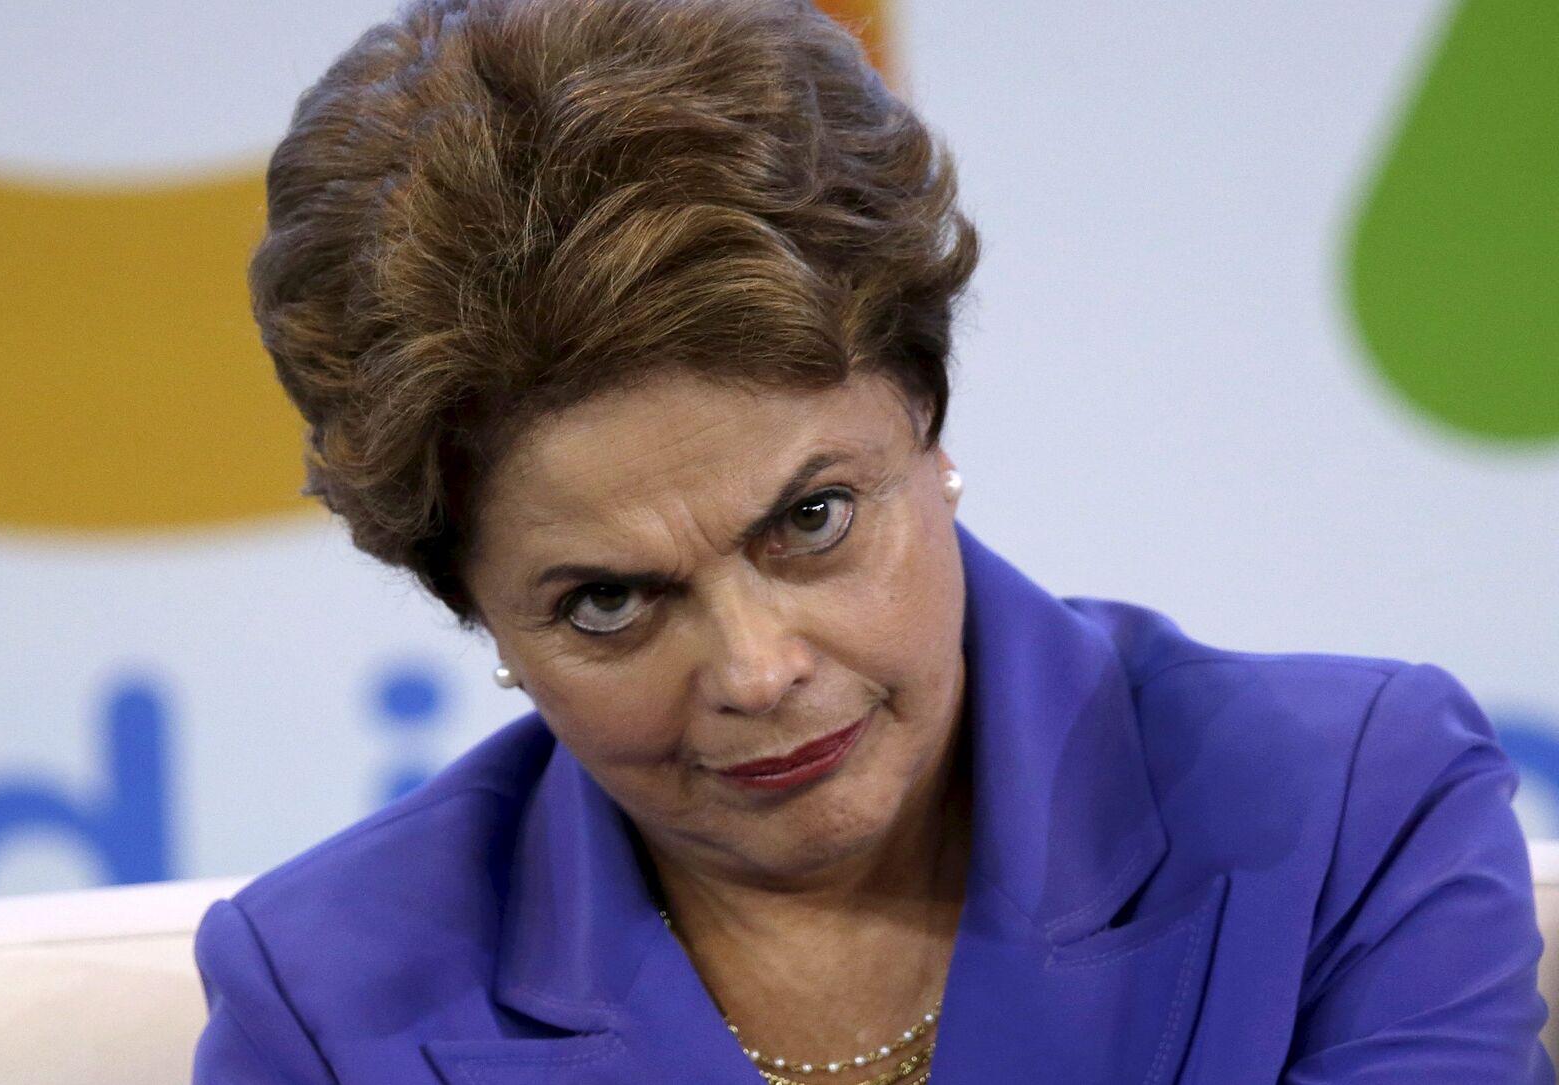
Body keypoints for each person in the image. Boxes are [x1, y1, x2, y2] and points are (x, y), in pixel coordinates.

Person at [192, 0, 1553, 1080]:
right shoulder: (328, 1006)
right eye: (608, 601)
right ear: (478, 610)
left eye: (812, 520)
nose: (756, 669)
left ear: (926, 420)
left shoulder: (1350, 810)